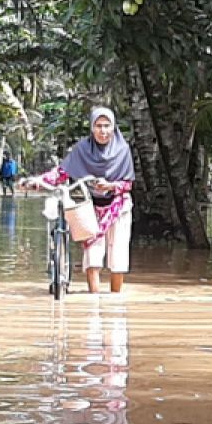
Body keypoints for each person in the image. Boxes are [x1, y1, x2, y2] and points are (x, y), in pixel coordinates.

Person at [22, 107, 135, 294]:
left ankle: (116, 303)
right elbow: (62, 172)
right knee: (93, 257)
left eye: (107, 126)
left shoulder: (123, 150)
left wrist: (110, 186)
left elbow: (128, 184)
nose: (103, 130)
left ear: (113, 127)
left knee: (118, 258)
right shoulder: (81, 149)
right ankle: (95, 302)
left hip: (118, 207)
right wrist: (38, 181)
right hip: (89, 206)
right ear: (92, 127)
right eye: (98, 126)